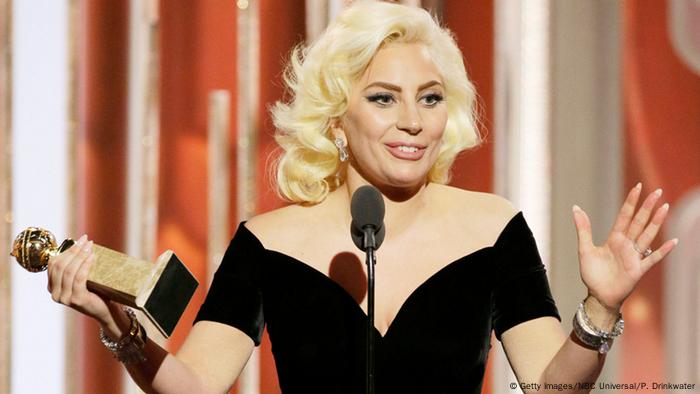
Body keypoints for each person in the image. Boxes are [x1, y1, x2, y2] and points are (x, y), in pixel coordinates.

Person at [47, 1, 678, 393]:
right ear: (334, 118)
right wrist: (122, 328)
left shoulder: (493, 227)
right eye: (383, 98)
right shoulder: (267, 242)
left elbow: (551, 389)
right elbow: (197, 385)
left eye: (430, 98)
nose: (414, 121)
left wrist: (598, 308)